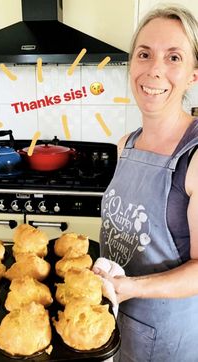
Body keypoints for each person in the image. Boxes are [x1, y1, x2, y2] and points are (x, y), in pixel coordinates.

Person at [92, 4, 198, 362]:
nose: (154, 70)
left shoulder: (194, 157)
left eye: (173, 57)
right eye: (144, 54)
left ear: (193, 75)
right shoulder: (127, 144)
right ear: (132, 63)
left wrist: (126, 288)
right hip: (112, 324)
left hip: (168, 341)